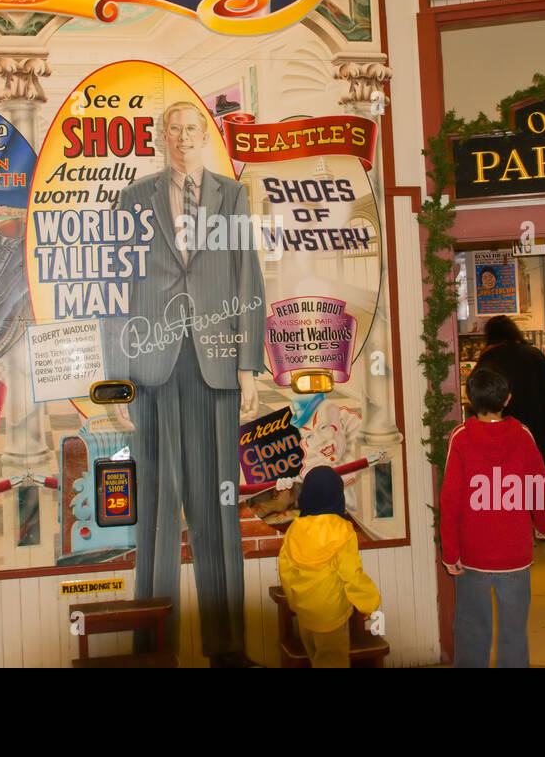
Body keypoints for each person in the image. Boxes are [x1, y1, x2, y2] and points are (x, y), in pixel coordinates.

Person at [106, 101, 266, 667]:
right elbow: (115, 288)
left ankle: (228, 648)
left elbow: (249, 276)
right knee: (153, 507)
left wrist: (248, 366)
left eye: (190, 129)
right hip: (150, 368)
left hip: (215, 366)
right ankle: (153, 649)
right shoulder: (134, 198)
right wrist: (116, 380)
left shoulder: (232, 196)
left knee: (218, 508)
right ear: (160, 137)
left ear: (205, 136)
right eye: (170, 130)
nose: (180, 138)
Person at [440, 366, 545, 668]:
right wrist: (544, 526)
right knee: (514, 634)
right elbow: (540, 486)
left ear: (469, 399)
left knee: (471, 630)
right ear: (508, 399)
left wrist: (449, 551)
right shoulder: (524, 436)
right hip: (515, 554)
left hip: (472, 554)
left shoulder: (461, 437)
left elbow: (450, 498)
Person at [277, 465, 381, 668]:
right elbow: (353, 574)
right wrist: (368, 604)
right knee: (334, 661)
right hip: (332, 617)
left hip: (306, 615)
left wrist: (294, 602)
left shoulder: (294, 530)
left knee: (317, 660)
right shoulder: (343, 531)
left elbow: (286, 571)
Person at [472, 315, 545, 466]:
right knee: (534, 476)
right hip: (535, 428)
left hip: (501, 432)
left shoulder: (488, 359)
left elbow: (478, 394)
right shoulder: (535, 354)